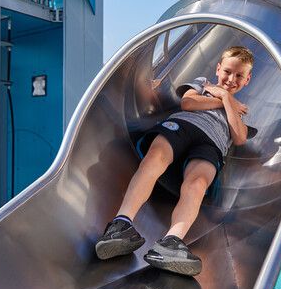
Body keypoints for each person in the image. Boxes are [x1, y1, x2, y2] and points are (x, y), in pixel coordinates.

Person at [94, 46, 257, 276]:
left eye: (239, 75)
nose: (231, 79)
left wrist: (227, 99)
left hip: (211, 145)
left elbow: (239, 136)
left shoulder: (238, 111)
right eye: (228, 71)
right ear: (218, 68)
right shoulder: (202, 84)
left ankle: (171, 242)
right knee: (156, 157)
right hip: (183, 126)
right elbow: (188, 103)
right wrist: (222, 98)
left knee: (198, 183)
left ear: (247, 79)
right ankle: (121, 224)